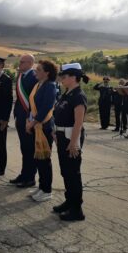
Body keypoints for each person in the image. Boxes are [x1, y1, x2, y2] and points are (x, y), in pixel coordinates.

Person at [53, 62, 89, 221]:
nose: (61, 78)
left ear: (74, 77)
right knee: (65, 171)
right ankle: (69, 201)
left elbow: (78, 122)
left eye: (64, 76)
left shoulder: (78, 96)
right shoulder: (66, 93)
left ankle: (76, 209)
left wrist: (74, 143)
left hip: (71, 137)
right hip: (62, 136)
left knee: (73, 173)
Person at [25, 60, 58, 201]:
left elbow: (45, 108)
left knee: (44, 159)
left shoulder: (50, 86)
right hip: (35, 125)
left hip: (44, 126)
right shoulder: (38, 84)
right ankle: (41, 187)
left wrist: (32, 122)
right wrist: (29, 120)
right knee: (38, 158)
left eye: (38, 70)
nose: (35, 72)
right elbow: (31, 104)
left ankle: (47, 190)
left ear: (47, 73)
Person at [10, 54, 37, 188]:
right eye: (19, 61)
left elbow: (34, 101)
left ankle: (30, 177)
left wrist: (30, 119)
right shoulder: (21, 76)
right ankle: (24, 174)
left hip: (29, 119)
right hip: (19, 117)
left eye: (22, 62)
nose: (19, 64)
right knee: (24, 148)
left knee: (29, 149)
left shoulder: (34, 77)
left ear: (31, 63)